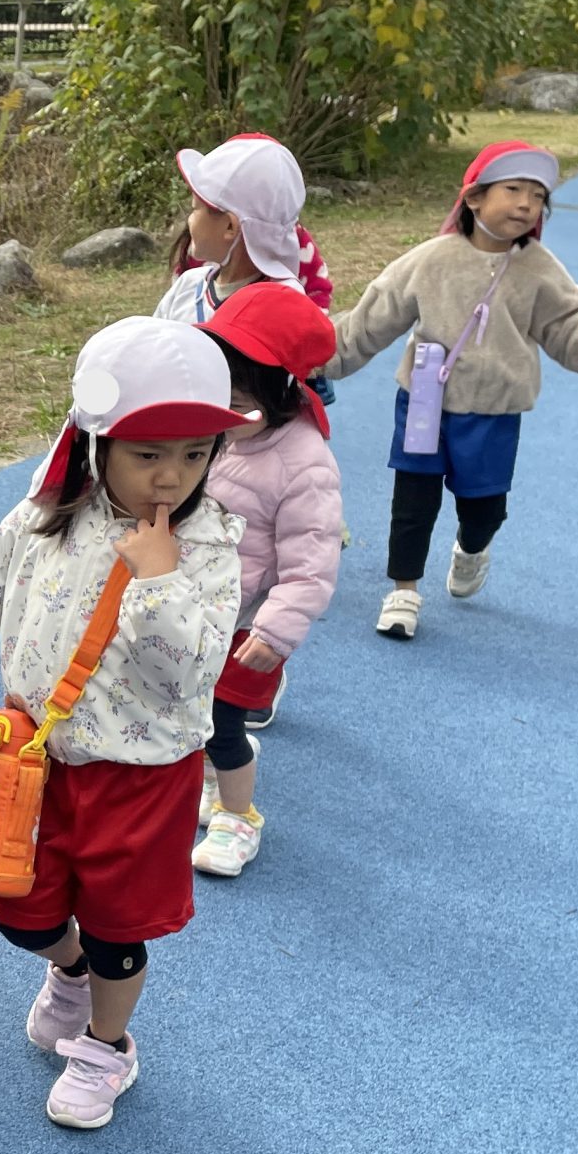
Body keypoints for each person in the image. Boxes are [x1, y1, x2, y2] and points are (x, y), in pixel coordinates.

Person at [0, 320, 242, 1131]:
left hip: (140, 777)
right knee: (18, 912)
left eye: (196, 453)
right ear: (97, 442)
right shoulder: (50, 513)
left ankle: (107, 1046)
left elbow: (190, 675)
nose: (172, 476)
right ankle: (68, 971)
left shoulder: (207, 545)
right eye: (148, 453)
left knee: (117, 930)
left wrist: (158, 584)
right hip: (35, 758)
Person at [323, 143, 578, 640]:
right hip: (423, 399)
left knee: (485, 509)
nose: (526, 204)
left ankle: (471, 545)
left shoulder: (540, 269)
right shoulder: (432, 259)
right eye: (514, 189)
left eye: (537, 196)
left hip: (494, 411)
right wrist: (318, 354)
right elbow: (373, 318)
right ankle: (403, 591)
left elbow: (572, 332)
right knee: (413, 500)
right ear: (474, 198)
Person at [191, 285, 344, 878]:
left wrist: (277, 632)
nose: (222, 405)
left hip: (250, 624)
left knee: (223, 723)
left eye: (238, 392)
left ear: (281, 387)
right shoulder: (218, 434)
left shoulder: (304, 463)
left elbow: (311, 562)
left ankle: (239, 819)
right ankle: (211, 780)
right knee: (191, 712)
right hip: (195, 610)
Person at [154, 133, 334, 325]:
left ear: (230, 226)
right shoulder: (187, 287)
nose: (189, 220)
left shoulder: (283, 308)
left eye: (194, 209)